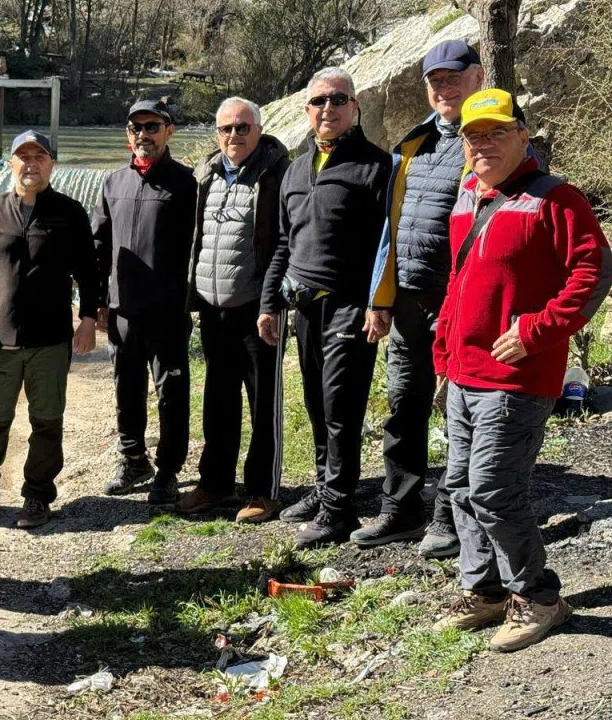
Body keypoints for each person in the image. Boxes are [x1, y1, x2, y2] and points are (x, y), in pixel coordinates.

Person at [431, 88, 611, 652]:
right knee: (460, 489)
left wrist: (537, 330)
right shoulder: (469, 194)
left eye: (497, 132)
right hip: (463, 373)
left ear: (522, 137)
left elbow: (594, 273)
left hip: (516, 379)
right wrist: (443, 349)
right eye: (473, 135)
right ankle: (484, 591)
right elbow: (460, 281)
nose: (483, 144)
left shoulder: (556, 198)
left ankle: (538, 597)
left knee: (493, 490)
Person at [351, 40, 484, 556]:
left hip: (461, 304)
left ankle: (449, 518)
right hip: (408, 301)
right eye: (435, 81)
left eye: (453, 78)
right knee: (403, 407)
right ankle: (401, 510)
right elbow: (393, 228)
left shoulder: (492, 138)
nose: (443, 88)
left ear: (477, 77)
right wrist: (379, 298)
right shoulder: (414, 143)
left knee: (459, 414)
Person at [258, 67, 393, 548]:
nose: (328, 108)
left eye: (338, 99)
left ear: (355, 106)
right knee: (316, 403)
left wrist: (379, 303)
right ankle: (324, 487)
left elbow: (387, 245)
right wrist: (269, 302)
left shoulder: (376, 166)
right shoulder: (296, 169)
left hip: (350, 307)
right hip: (303, 307)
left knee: (341, 407)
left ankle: (339, 509)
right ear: (307, 110)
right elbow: (284, 243)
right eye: (319, 101)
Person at [0, 130, 101, 529]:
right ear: (11, 163)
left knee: (46, 423)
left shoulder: (69, 212)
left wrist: (87, 319)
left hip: (50, 340)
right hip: (1, 340)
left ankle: (37, 498)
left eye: (40, 157)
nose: (31, 164)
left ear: (51, 164)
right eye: (24, 157)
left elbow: (89, 271)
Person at [177, 97, 291, 523]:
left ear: (258, 129)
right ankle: (215, 483)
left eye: (243, 127)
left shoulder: (276, 173)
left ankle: (263, 490)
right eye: (226, 128)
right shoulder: (207, 173)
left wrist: (272, 302)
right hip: (213, 308)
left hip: (258, 310)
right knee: (218, 399)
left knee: (264, 403)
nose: (234, 136)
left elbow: (284, 242)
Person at [92, 99, 197, 505]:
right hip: (122, 309)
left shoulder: (186, 184)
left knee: (171, 393)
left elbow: (198, 247)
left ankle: (168, 470)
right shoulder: (113, 182)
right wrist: (97, 301)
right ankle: (133, 459)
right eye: (136, 128)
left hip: (167, 311)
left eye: (152, 127)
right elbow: (99, 246)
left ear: (169, 131)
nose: (143, 135)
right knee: (126, 389)